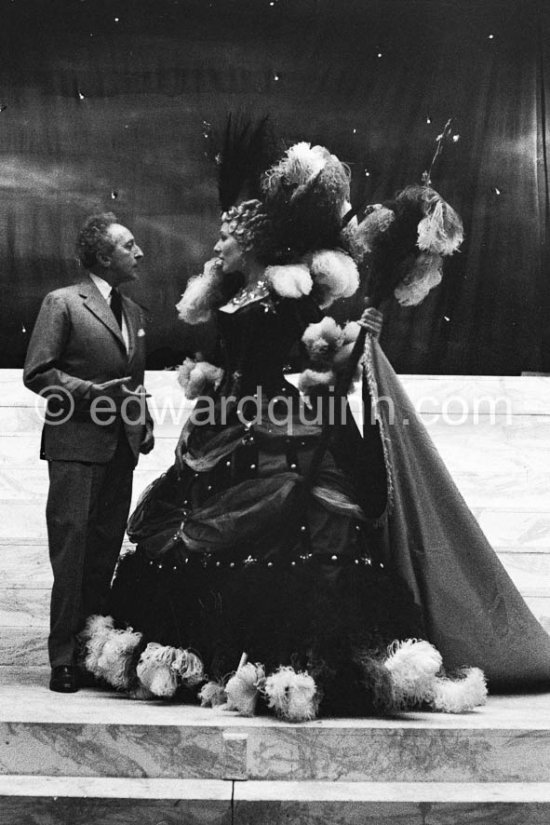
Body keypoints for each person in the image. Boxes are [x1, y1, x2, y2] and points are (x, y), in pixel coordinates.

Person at [81, 141, 550, 720]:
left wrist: (360, 340)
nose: (218, 244)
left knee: (302, 534)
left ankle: (284, 664)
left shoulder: (284, 294)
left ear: (248, 240)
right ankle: (206, 653)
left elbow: (319, 358)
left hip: (279, 429)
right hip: (226, 425)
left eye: (227, 235)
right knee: (192, 529)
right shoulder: (236, 291)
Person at [23, 212, 154, 693]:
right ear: (103, 256)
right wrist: (99, 395)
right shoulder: (62, 303)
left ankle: (93, 654)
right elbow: (38, 373)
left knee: (103, 555)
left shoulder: (136, 314)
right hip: (76, 450)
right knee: (73, 555)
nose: (139, 253)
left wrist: (144, 426)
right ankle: (63, 659)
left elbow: (132, 387)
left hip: (121, 452)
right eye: (130, 246)